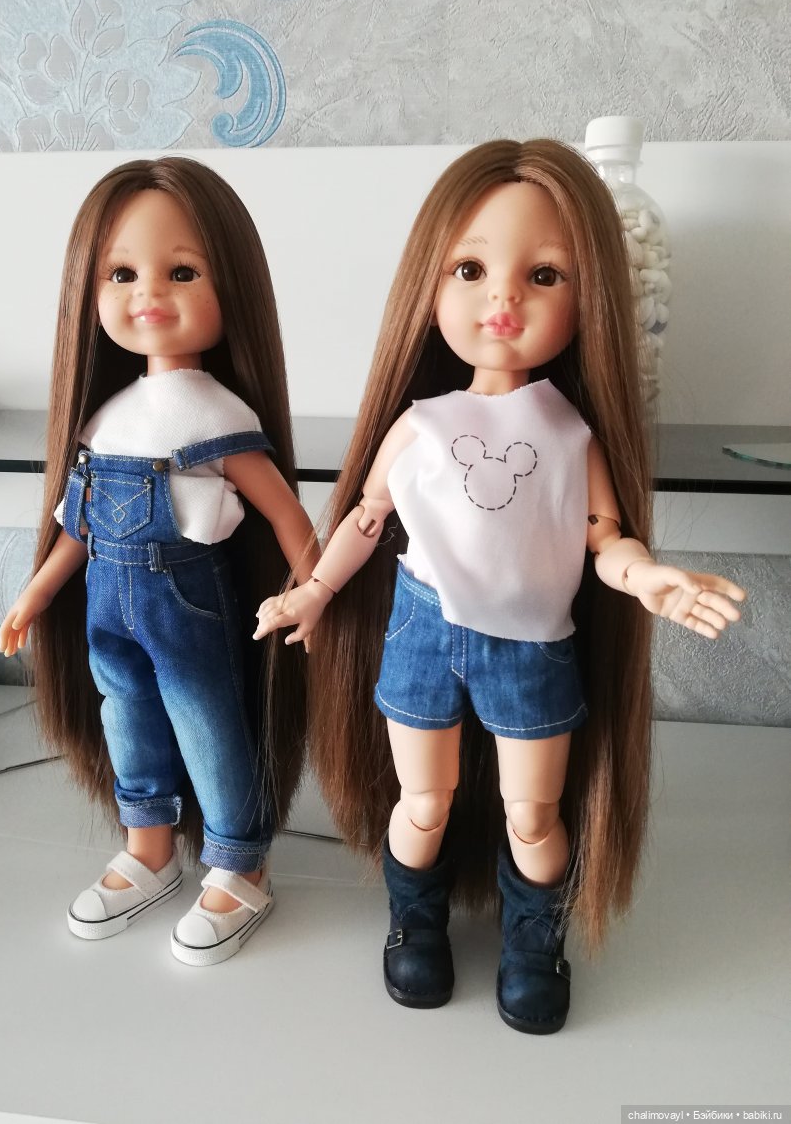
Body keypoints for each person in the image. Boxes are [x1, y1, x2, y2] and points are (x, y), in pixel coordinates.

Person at [255, 139, 745, 1030]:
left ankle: (532, 938)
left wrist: (647, 578)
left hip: (530, 644)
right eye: (471, 269)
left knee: (533, 813)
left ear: (589, 297)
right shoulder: (420, 423)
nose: (504, 298)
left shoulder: (569, 431)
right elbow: (366, 518)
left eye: (544, 275)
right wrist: (313, 591)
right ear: (429, 285)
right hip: (423, 629)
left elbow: (604, 536)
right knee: (423, 801)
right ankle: (415, 920)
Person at [0, 157, 318, 967]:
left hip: (187, 601)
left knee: (207, 719)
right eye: (121, 273)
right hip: (106, 604)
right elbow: (78, 525)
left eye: (182, 272)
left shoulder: (215, 413)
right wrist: (35, 593)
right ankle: (149, 845)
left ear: (230, 287)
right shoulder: (105, 417)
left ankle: (241, 863)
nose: (149, 294)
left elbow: (284, 511)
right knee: (127, 715)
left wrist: (316, 590)